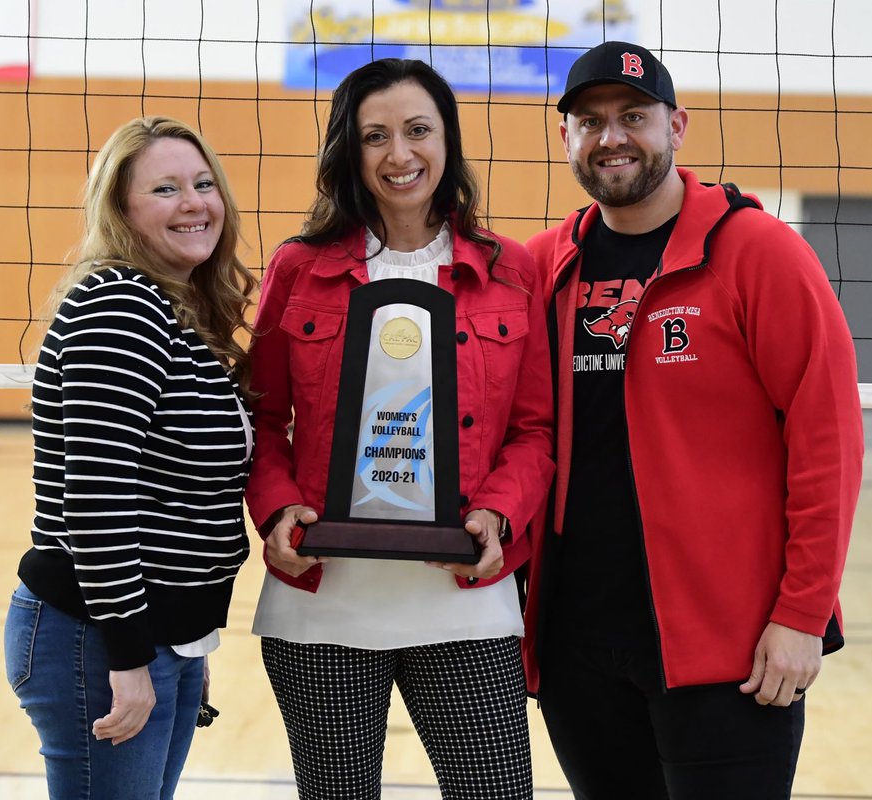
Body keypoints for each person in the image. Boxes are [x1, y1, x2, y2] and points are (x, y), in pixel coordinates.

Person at [523, 41, 864, 799]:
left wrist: (803, 616)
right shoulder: (543, 265)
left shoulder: (759, 254)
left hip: (728, 648)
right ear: (565, 139)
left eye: (634, 117)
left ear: (677, 126)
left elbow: (827, 443)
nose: (611, 137)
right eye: (589, 120)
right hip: (579, 645)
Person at [246, 58, 554, 800]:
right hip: (324, 600)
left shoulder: (510, 270)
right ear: (348, 152)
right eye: (374, 136)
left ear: (447, 139)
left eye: (418, 130)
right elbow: (261, 417)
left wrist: (499, 514)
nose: (399, 154)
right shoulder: (299, 268)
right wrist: (278, 507)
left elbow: (536, 429)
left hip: (465, 592)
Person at [3, 116, 258, 800]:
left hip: (153, 638)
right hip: (95, 637)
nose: (194, 202)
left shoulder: (176, 310)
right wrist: (128, 657)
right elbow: (97, 496)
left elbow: (177, 500)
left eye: (204, 184)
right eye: (166, 189)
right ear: (120, 210)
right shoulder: (121, 304)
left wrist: (188, 642)